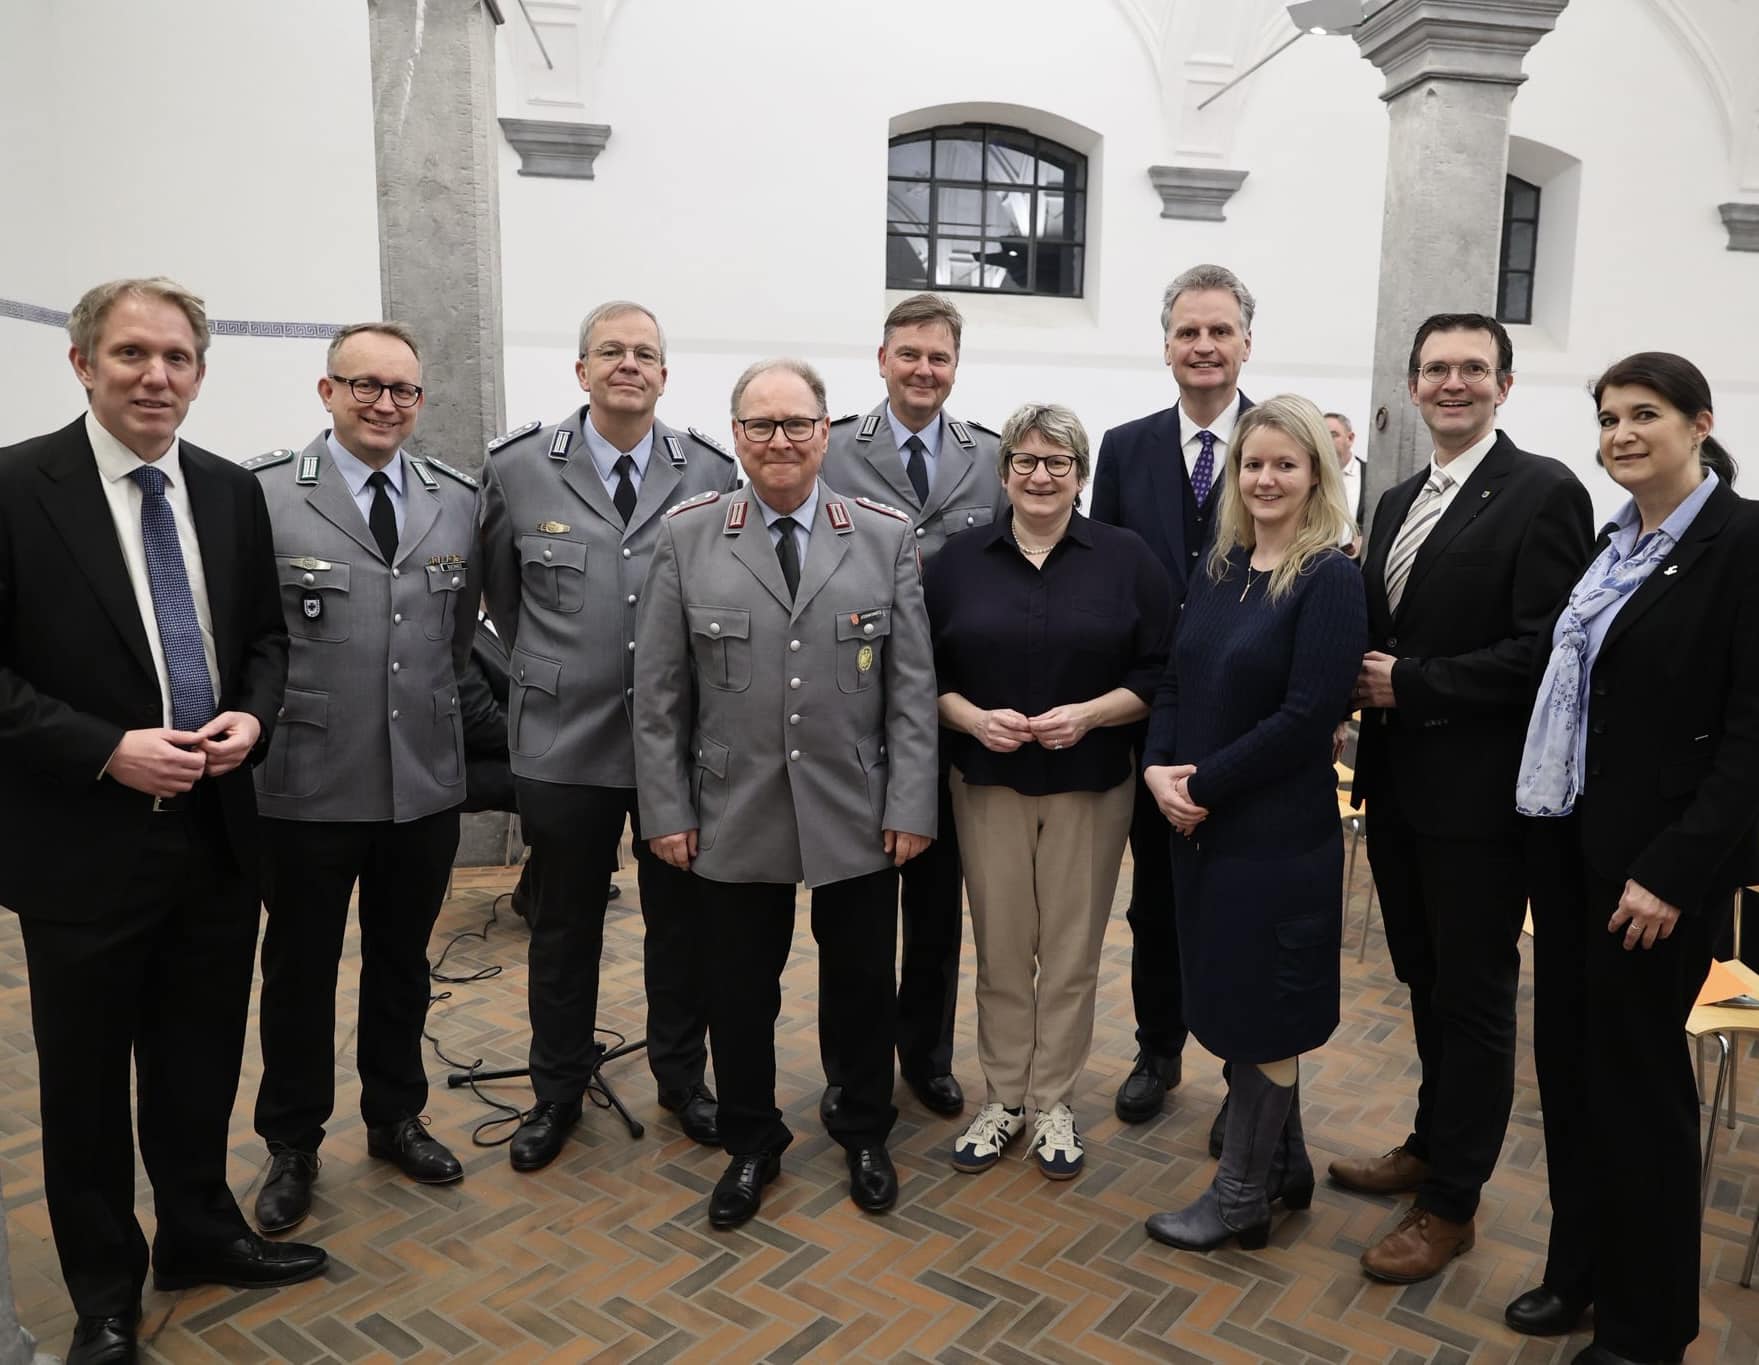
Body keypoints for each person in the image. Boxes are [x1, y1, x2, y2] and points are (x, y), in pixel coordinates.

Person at [0, 278, 324, 1364]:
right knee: (85, 1085)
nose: (156, 376)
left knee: (197, 1059)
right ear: (82, 363)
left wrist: (253, 717)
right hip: (81, 844)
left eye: (177, 357)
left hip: (216, 835)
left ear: (200, 372)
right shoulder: (15, 488)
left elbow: (267, 640)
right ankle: (104, 1290)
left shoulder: (228, 491)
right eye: (132, 354)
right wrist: (106, 749)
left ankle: (198, 1231)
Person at [633, 358, 938, 1229]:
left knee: (861, 984)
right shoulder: (688, 535)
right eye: (761, 425)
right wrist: (666, 811)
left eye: (796, 423)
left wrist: (909, 803)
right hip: (731, 807)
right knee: (737, 989)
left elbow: (911, 689)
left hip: (856, 806)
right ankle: (751, 1140)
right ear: (735, 435)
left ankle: (863, 1128)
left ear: (824, 431)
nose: (780, 440)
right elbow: (659, 694)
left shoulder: (882, 535)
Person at [1511, 353, 1759, 1365]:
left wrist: (1673, 872)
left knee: (1639, 1092)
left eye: (1643, 414)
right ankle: (1578, 1272)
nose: (1620, 433)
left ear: (1699, 424)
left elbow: (1749, 736)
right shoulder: (1612, 545)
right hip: (1571, 850)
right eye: (1608, 417)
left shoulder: (1742, 542)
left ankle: (1646, 1327)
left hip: (1652, 875)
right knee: (1570, 1075)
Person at [1338, 313, 1593, 1283]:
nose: (1453, 383)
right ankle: (1428, 1142)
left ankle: (1452, 1204)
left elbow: (1545, 651)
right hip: (1397, 790)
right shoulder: (1398, 498)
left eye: (1472, 368)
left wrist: (1413, 683)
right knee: (1423, 981)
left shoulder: (1543, 492)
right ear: (1412, 386)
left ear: (1503, 385)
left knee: (1476, 998)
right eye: (1436, 368)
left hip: (1480, 803)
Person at [479, 301, 736, 1170]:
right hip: (563, 739)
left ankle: (681, 1079)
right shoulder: (517, 468)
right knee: (562, 926)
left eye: (645, 353)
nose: (629, 364)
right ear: (581, 369)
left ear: (664, 374)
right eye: (611, 351)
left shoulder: (708, 467)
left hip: (677, 742)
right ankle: (556, 1089)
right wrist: (562, 668)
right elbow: (504, 599)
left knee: (682, 925)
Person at [247, 322, 479, 1233]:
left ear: (419, 400)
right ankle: (291, 1141)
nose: (385, 404)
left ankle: (395, 1116)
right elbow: (250, 638)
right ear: (328, 390)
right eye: (365, 385)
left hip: (420, 778)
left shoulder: (455, 499)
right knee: (299, 968)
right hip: (306, 778)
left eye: (402, 390)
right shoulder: (266, 493)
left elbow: (455, 638)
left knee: (402, 962)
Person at [1136, 394, 1365, 1250]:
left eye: (1284, 464)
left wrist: (1200, 783)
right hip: (1203, 830)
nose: (1265, 478)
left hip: (1272, 838)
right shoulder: (1221, 565)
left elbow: (1306, 717)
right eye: (1252, 463)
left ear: (1316, 474)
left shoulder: (1327, 577)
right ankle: (1285, 1165)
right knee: (1233, 999)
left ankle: (1238, 1198)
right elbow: (1173, 679)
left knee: (1265, 1009)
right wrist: (1158, 767)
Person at [923, 403, 1170, 1179]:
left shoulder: (1126, 559)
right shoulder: (956, 561)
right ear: (1003, 473)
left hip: (1089, 786)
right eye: (1025, 461)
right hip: (986, 783)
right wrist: (970, 718)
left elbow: (1159, 670)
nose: (1039, 475)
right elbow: (921, 672)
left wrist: (1091, 714)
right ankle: (1003, 1099)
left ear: (1079, 474)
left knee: (1069, 952)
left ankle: (1054, 1100)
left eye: (1057, 462)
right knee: (1001, 950)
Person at [822, 292, 1003, 1120]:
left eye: (938, 357)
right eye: (909, 354)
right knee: (851, 911)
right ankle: (849, 1066)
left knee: (935, 907)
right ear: (882, 359)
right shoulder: (829, 449)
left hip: (951, 714)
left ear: (955, 366)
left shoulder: (990, 458)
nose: (923, 369)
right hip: (852, 709)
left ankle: (925, 1056)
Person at [1091, 263, 1256, 1137]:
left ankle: (1244, 1075)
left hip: (1248, 716)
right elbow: (1105, 578)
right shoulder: (1124, 448)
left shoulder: (1279, 441)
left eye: (1219, 330)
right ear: (1165, 347)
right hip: (1152, 714)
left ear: (1245, 344)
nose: (1203, 345)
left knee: (1237, 907)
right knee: (1154, 900)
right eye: (1188, 331)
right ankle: (1156, 1051)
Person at [1324, 411, 1365, 556]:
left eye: (1333, 435)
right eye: (1322, 436)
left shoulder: (1372, 475)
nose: (1327, 442)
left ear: (1350, 438)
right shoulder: (1311, 479)